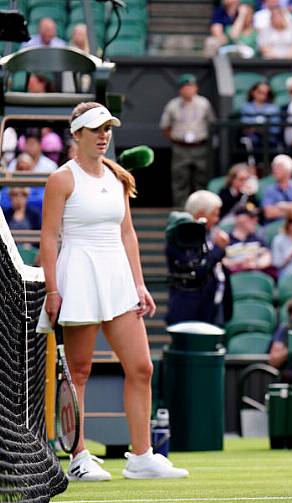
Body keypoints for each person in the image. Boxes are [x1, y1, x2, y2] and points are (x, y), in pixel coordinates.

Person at [40, 102, 188, 480]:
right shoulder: (62, 179)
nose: (104, 135)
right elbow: (49, 237)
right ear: (77, 135)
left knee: (141, 367)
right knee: (79, 371)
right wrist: (53, 290)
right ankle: (78, 456)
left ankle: (141, 456)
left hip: (117, 277)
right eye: (95, 129)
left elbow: (127, 233)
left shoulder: (117, 176)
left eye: (107, 128)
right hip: (79, 274)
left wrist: (138, 282)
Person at [167, 190, 230, 326]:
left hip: (211, 303)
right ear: (201, 214)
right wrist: (219, 249)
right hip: (190, 308)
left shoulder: (209, 235)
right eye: (214, 214)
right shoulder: (181, 237)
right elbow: (198, 269)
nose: (217, 220)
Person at [160, 74, 216, 207]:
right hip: (180, 147)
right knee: (180, 178)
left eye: (191, 87)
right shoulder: (173, 105)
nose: (188, 90)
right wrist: (174, 139)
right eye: (185, 87)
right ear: (180, 89)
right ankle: (180, 207)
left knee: (201, 178)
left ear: (196, 88)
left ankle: (201, 207)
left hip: (200, 146)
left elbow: (212, 123)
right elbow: (165, 126)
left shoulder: (204, 103)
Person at [221, 205, 273, 276]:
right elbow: (221, 261)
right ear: (239, 218)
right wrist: (239, 263)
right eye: (251, 217)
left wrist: (255, 264)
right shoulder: (225, 240)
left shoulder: (257, 238)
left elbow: (267, 256)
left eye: (256, 217)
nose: (255, 220)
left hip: (255, 276)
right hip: (234, 277)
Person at [262, 154, 292, 225]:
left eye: (279, 168)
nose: (275, 170)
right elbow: (269, 213)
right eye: (274, 168)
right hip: (275, 225)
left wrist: (284, 205)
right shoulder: (270, 190)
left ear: (289, 171)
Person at [240, 81, 280, 151]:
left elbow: (275, 129)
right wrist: (259, 128)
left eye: (265, 93)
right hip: (253, 138)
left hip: (269, 137)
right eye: (259, 92)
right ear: (253, 92)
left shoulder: (273, 108)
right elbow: (245, 126)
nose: (262, 95)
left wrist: (257, 127)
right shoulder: (246, 107)